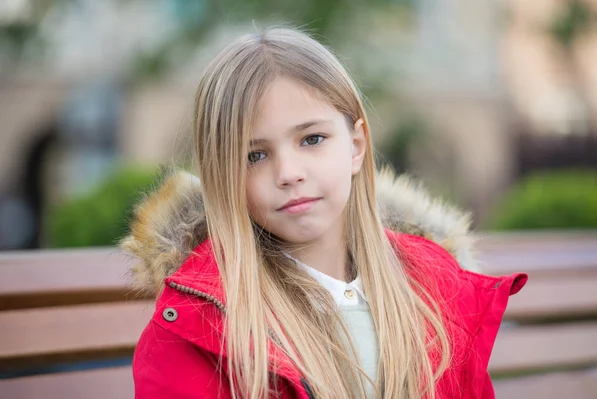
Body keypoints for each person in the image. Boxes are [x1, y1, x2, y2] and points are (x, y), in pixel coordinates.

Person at [121, 26, 527, 399]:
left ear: (355, 145)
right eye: (254, 156)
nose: (289, 173)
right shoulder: (195, 326)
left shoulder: (432, 287)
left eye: (312, 139)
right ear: (220, 176)